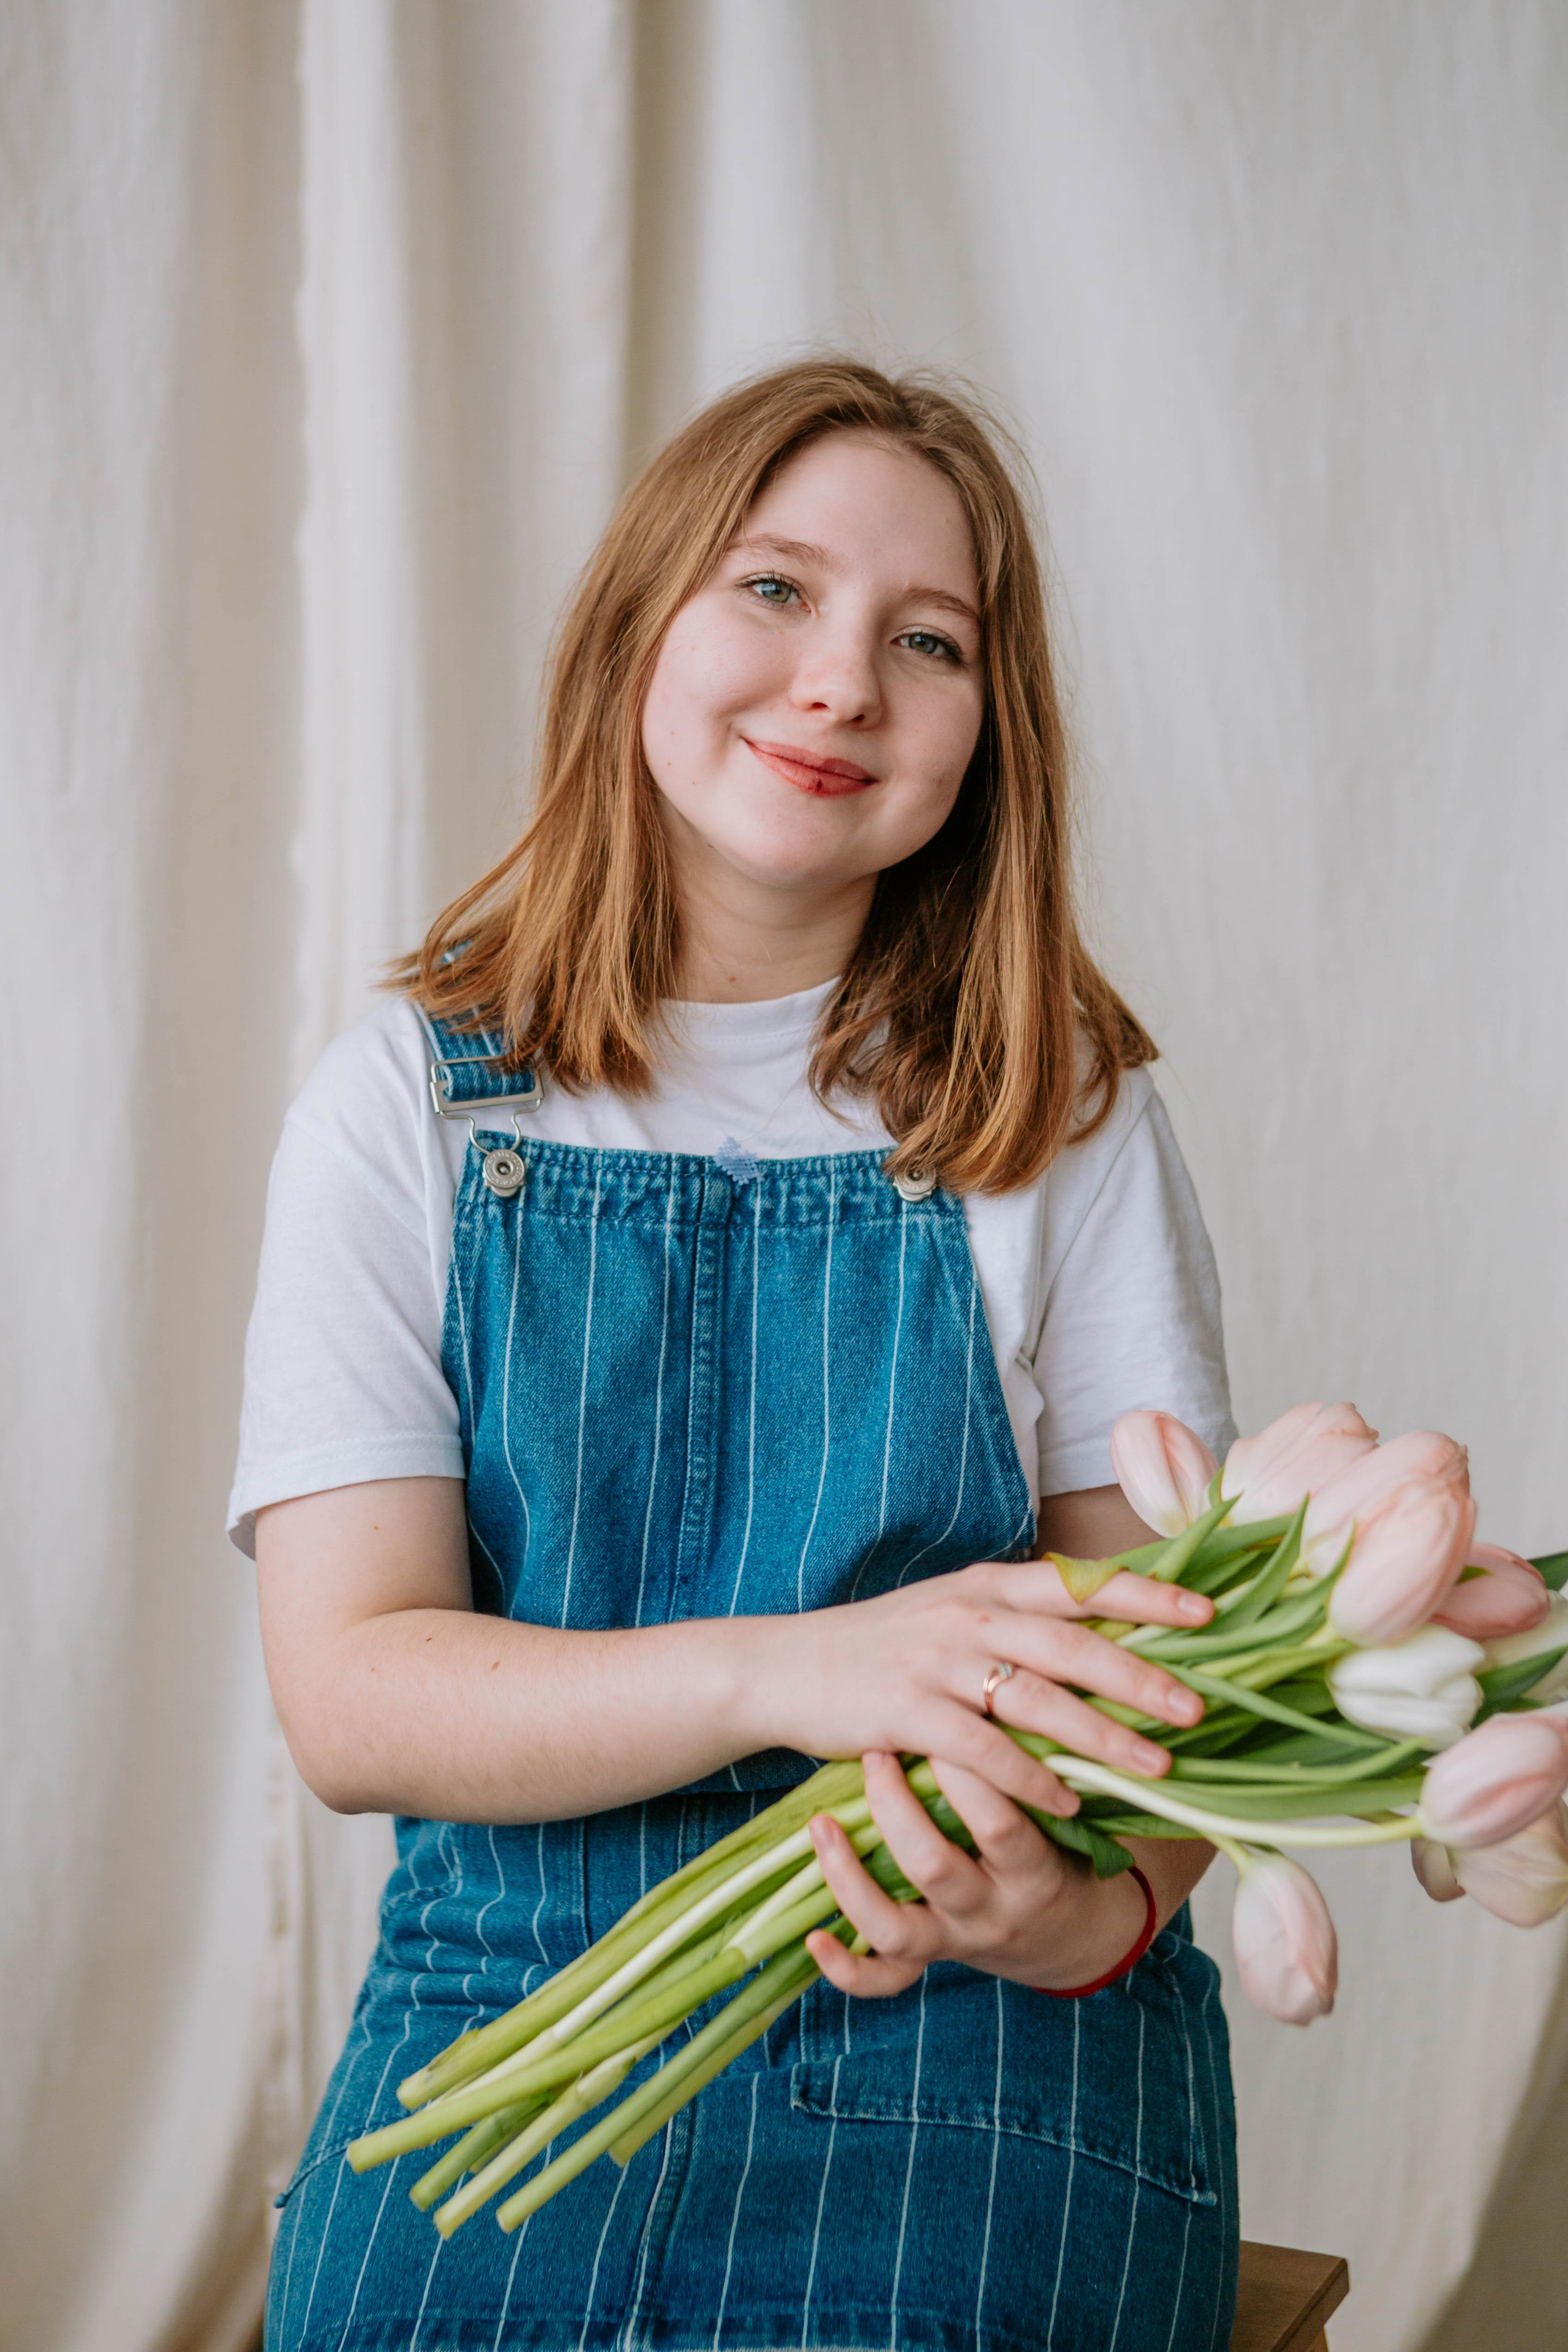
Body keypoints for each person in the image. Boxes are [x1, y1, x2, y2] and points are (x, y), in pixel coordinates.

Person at [235, 358, 1239, 2352]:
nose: (841, 678)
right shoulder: (407, 1111)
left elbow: (1176, 1703)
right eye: (773, 590)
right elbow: (353, 1696)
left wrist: (1072, 1912)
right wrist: (802, 1668)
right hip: (506, 2036)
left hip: (981, 2058)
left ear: (986, 735)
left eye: (924, 638)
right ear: (639, 629)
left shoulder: (1063, 1114)